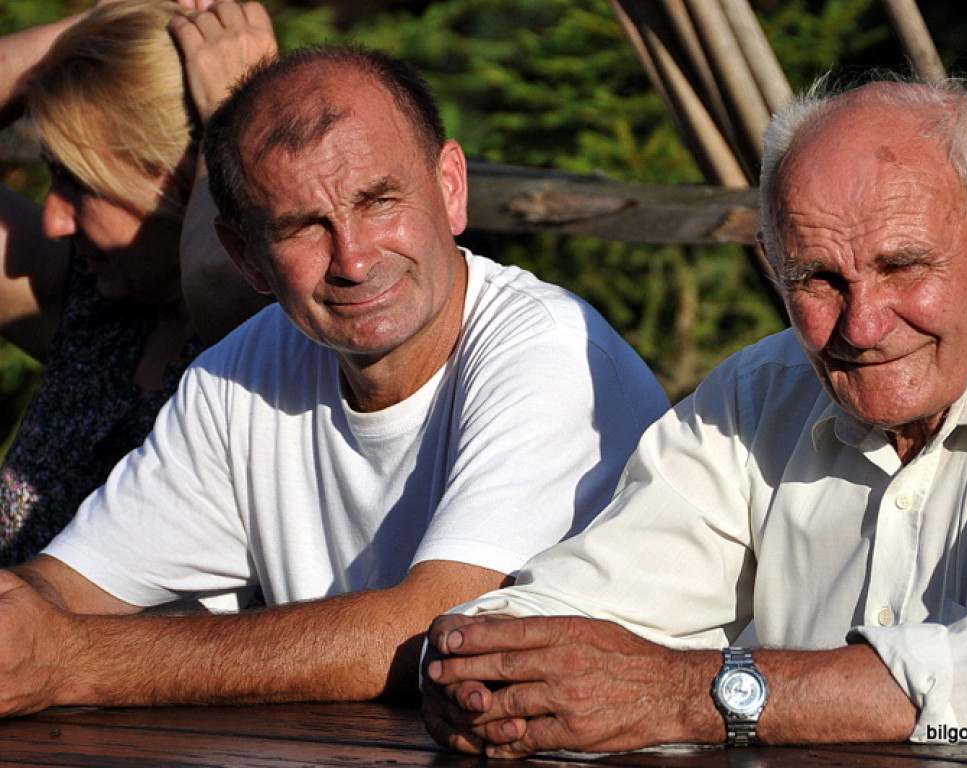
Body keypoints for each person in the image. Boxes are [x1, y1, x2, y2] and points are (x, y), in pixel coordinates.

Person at [0, 44, 669, 716]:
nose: (353, 258)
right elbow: (65, 587)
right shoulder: (237, 377)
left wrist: (74, 662)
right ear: (247, 258)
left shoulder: (555, 354)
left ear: (450, 188)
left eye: (378, 201)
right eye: (303, 228)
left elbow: (436, 630)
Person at [422, 75, 967, 756]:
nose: (862, 326)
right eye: (818, 278)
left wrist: (702, 695)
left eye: (905, 268)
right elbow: (567, 608)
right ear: (773, 264)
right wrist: (477, 671)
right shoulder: (755, 396)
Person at [0, 0, 273, 565]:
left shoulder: (271, 336)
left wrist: (237, 108)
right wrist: (97, 27)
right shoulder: (92, 306)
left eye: (80, 184)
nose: (54, 221)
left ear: (185, 180)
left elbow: (223, 286)